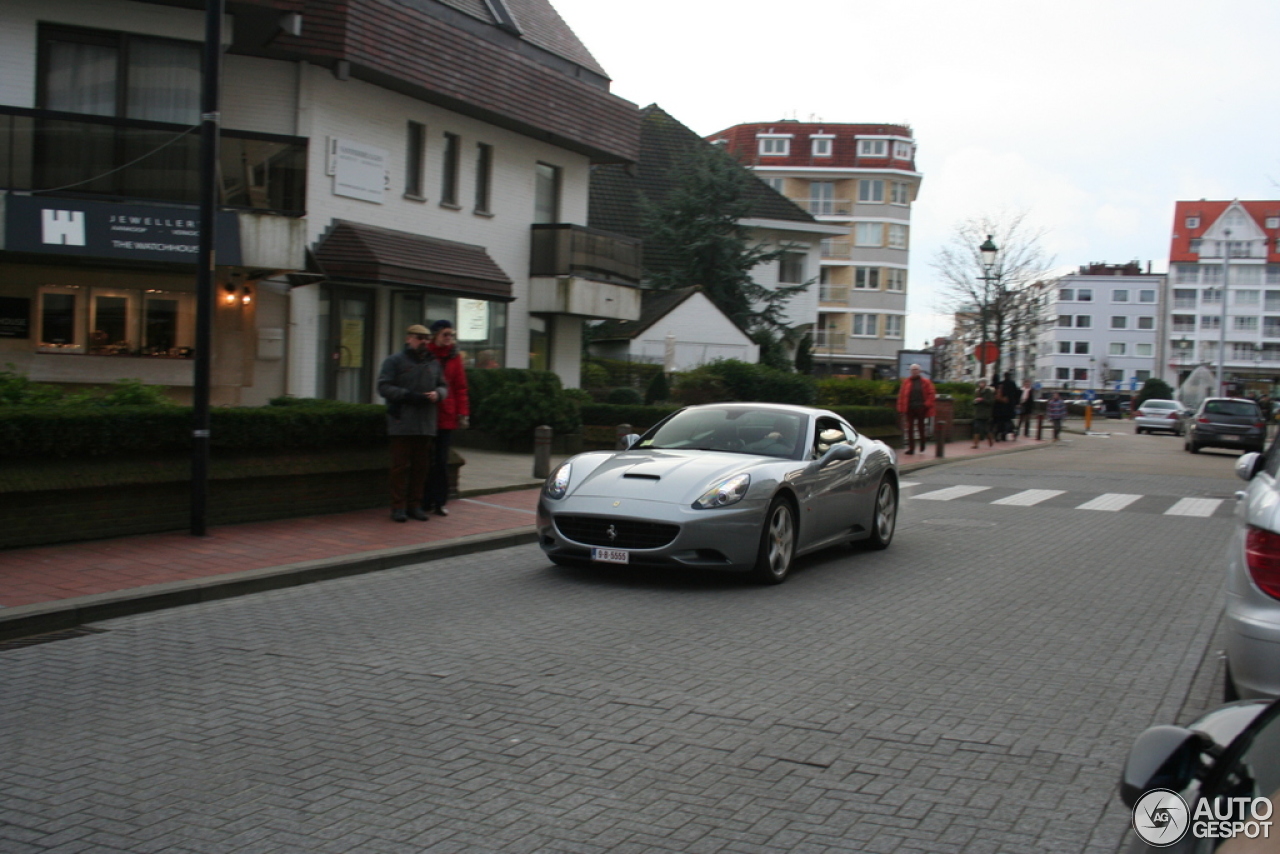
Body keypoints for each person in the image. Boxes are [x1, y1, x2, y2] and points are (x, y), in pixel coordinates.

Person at [377, 324, 447, 522]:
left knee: (421, 467)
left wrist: (437, 394)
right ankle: (397, 507)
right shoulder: (394, 361)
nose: (423, 341)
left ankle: (415, 505)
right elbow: (383, 387)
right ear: (409, 338)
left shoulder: (434, 363)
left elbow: (443, 386)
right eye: (419, 337)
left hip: (425, 422)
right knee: (399, 467)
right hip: (402, 421)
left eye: (426, 338)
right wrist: (408, 395)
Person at [421, 319, 470, 516]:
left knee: (441, 461)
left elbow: (460, 387)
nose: (449, 339)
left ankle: (440, 501)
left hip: (446, 415)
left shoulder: (454, 357)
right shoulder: (426, 354)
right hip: (427, 412)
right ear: (435, 336)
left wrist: (463, 413)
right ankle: (423, 500)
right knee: (425, 459)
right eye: (445, 335)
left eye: (451, 335)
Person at [896, 363, 937, 455]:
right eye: (913, 370)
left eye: (916, 369)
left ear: (919, 371)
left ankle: (922, 443)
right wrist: (901, 409)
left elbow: (932, 394)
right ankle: (911, 448)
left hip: (921, 408)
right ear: (910, 371)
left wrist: (926, 404)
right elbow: (901, 396)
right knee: (909, 428)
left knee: (921, 427)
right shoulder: (906, 382)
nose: (914, 371)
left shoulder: (926, 382)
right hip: (909, 408)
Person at [995, 371, 1019, 441]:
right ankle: (1008, 433)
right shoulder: (1012, 384)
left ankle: (1001, 434)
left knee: (1001, 421)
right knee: (1008, 421)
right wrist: (1015, 403)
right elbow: (1016, 394)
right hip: (1010, 406)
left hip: (1001, 406)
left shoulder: (1001, 384)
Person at [971, 378, 996, 448]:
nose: (981, 384)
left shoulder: (988, 392)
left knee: (985, 429)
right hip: (978, 413)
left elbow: (991, 402)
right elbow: (974, 401)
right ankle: (975, 444)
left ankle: (990, 440)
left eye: (982, 383)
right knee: (976, 428)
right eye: (980, 383)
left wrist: (983, 400)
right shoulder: (977, 391)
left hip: (985, 413)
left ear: (985, 384)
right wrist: (975, 401)